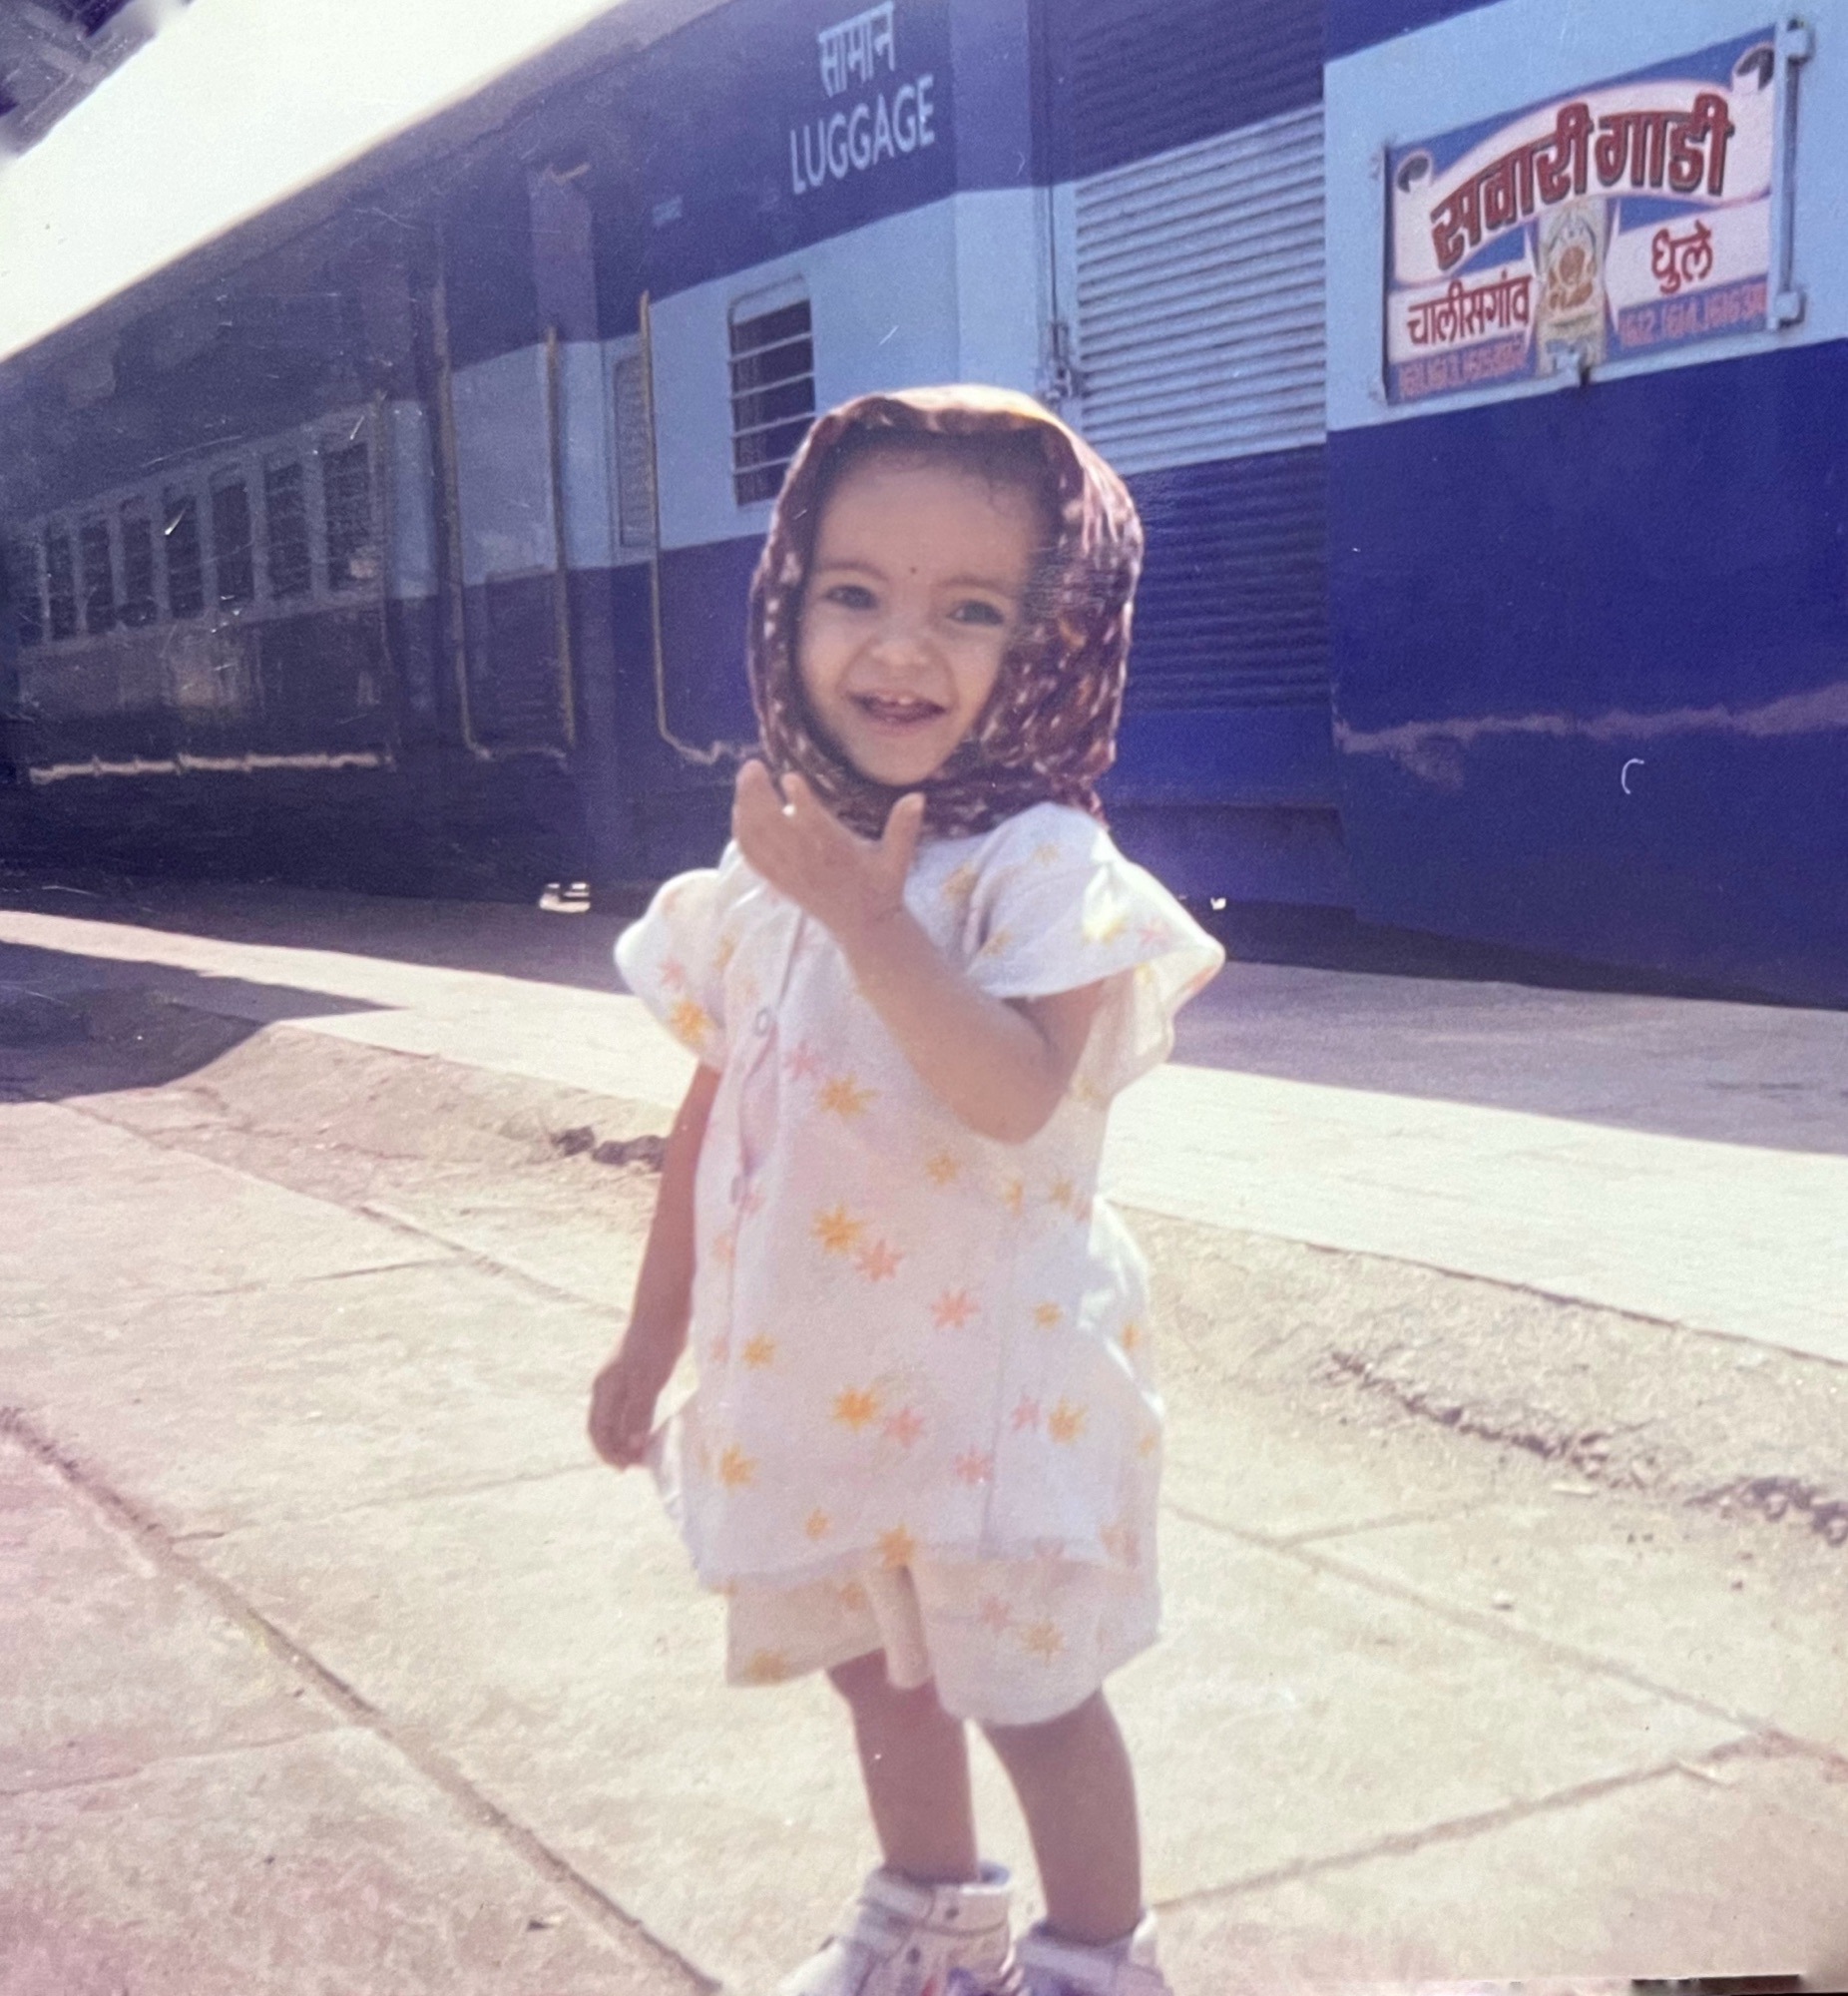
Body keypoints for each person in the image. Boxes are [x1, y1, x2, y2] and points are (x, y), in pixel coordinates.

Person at [589, 384, 1222, 1996]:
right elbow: (714, 1120)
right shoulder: (772, 872)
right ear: (785, 601)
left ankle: (1099, 1958)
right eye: (854, 592)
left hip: (996, 1397)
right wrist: (650, 1339)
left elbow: (1014, 1094)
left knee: (1031, 1692)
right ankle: (936, 1914)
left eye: (972, 611)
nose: (899, 648)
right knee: (873, 1669)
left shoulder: (1042, 869)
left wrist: (872, 924)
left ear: (1058, 641)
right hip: (815, 1378)